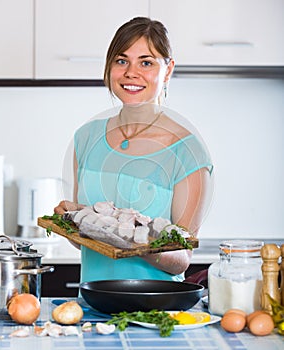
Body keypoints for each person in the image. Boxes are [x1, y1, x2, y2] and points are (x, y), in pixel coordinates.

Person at [54, 17, 213, 283]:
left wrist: (130, 239)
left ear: (168, 70)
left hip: (155, 313)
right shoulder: (86, 138)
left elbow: (181, 259)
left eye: (146, 62)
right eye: (121, 60)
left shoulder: (188, 152)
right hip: (92, 309)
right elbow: (87, 246)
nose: (131, 72)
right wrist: (74, 224)